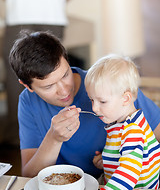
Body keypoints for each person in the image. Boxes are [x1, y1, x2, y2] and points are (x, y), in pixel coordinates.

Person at [9, 30, 160, 179]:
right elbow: (29, 176)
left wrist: (123, 159)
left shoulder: (108, 85)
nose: (63, 91)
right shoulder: (28, 101)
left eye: (65, 75)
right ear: (27, 86)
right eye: (49, 86)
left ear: (67, 60)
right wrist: (54, 139)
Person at [75, 54, 160, 190]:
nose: (95, 108)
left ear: (126, 98)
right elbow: (130, 158)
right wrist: (107, 161)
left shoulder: (132, 130)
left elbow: (129, 172)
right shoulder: (124, 122)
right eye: (92, 100)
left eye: (102, 101)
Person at [0, 0, 79, 144]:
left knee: (39, 75)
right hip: (47, 13)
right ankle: (42, 134)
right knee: (47, 75)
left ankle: (22, 137)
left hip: (22, 12)